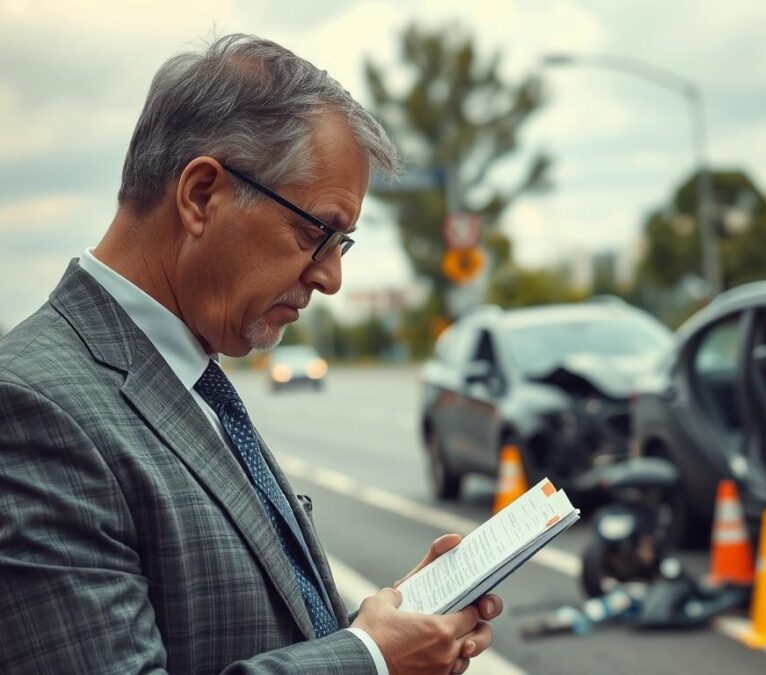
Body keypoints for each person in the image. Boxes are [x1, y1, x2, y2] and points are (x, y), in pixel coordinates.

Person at [0, 34, 501, 674]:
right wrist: (369, 660)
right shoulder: (33, 408)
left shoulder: (189, 374)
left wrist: (389, 632)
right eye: (315, 233)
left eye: (342, 246)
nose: (330, 279)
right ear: (202, 195)